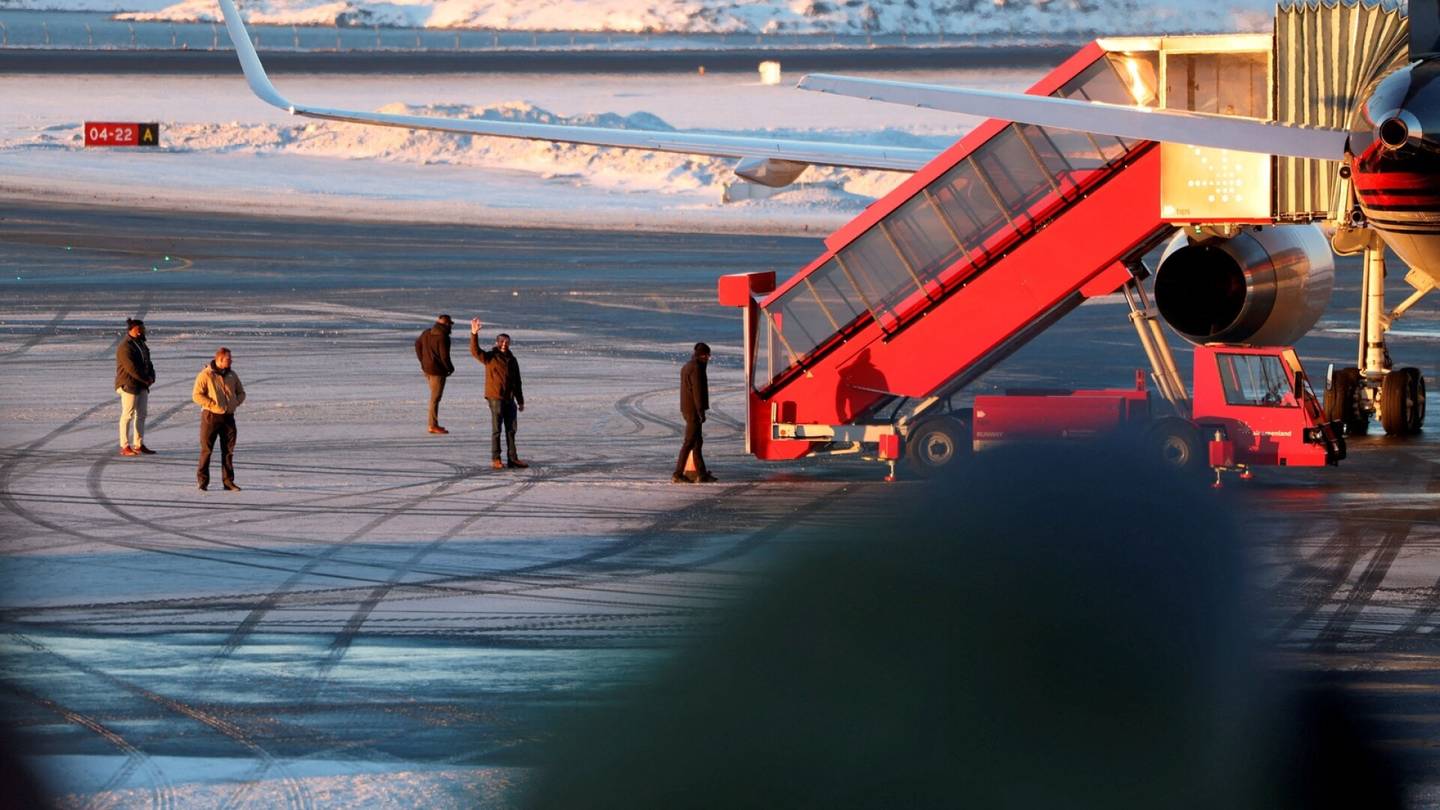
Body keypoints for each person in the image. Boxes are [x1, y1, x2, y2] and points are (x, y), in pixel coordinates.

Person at [469, 318, 527, 470]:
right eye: (501, 341)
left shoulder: (513, 360)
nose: (504, 344)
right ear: (496, 343)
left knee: (511, 430)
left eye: (506, 342)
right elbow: (475, 352)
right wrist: (474, 333)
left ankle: (513, 459)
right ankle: (496, 458)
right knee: (497, 430)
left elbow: (517, 382)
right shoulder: (490, 357)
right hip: (496, 397)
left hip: (510, 399)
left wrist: (520, 400)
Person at [192, 347, 246, 491]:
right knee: (207, 450)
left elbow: (241, 392)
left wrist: (235, 402)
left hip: (228, 417)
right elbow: (197, 395)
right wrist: (211, 404)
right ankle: (203, 481)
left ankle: (228, 481)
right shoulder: (206, 375)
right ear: (219, 359)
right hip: (211, 417)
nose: (231, 361)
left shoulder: (232, 375)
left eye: (231, 359)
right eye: (228, 359)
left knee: (228, 451)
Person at [673, 342, 716, 484]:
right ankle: (678, 474)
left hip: (688, 408)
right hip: (693, 410)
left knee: (697, 443)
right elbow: (697, 391)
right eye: (707, 355)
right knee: (689, 442)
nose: (708, 358)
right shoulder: (696, 368)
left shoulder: (688, 366)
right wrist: (700, 411)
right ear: (702, 355)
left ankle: (702, 474)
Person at [114, 317, 156, 457]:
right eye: (139, 330)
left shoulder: (142, 344)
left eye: (142, 329)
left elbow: (148, 363)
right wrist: (145, 379)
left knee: (142, 414)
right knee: (128, 414)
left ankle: (139, 444)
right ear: (131, 330)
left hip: (142, 384)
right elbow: (131, 368)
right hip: (129, 384)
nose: (141, 332)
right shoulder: (125, 346)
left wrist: (152, 376)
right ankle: (125, 445)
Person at [415, 314, 456, 434]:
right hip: (437, 371)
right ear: (446, 324)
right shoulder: (443, 337)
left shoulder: (427, 332)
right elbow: (444, 356)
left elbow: (417, 345)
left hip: (427, 369)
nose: (451, 327)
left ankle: (433, 424)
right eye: (450, 324)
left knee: (434, 397)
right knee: (435, 398)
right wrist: (450, 368)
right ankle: (432, 425)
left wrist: (422, 361)